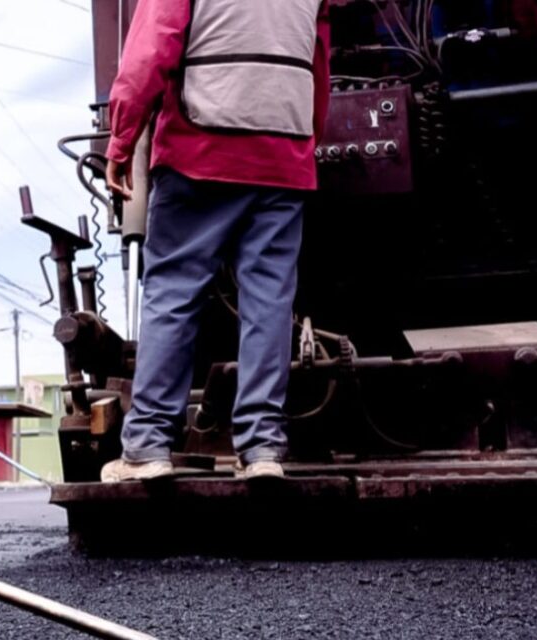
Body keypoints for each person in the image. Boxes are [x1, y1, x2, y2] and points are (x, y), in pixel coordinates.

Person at [99, 0, 332, 482]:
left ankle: (147, 447)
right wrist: (305, 143)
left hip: (199, 146)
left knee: (173, 293)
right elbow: (318, 58)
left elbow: (149, 49)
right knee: (268, 301)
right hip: (282, 153)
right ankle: (263, 448)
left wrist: (121, 140)